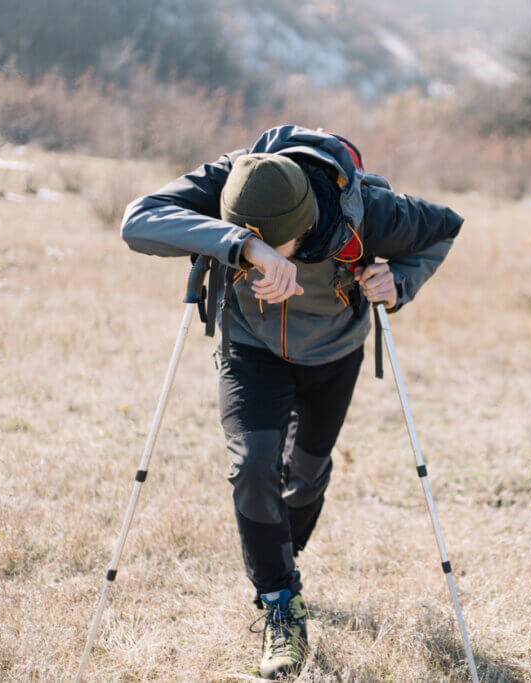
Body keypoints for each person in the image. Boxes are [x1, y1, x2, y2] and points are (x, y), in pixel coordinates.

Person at [120, 125, 463, 679]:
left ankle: (281, 557)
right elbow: (138, 221)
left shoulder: (372, 211)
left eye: (269, 242)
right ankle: (280, 602)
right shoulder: (237, 181)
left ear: (305, 229)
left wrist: (398, 279)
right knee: (254, 469)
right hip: (251, 348)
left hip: (334, 353)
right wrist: (244, 245)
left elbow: (444, 229)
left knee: (305, 476)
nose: (259, 258)